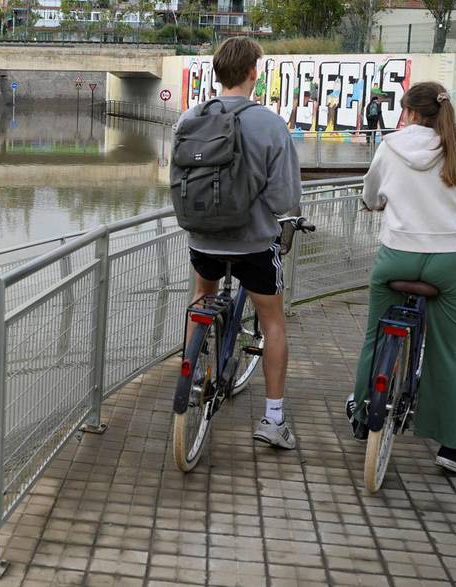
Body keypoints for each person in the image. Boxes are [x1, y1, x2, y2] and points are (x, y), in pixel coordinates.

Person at [346, 82, 456, 474]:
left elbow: (371, 195)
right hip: (446, 263)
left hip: (396, 257)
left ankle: (362, 412)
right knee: (449, 351)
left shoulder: (390, 147)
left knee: (375, 334)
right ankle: (451, 448)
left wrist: (376, 204)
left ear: (409, 112)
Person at [175, 38, 302, 449]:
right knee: (273, 323)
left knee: (201, 296)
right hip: (253, 244)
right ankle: (274, 419)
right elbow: (285, 200)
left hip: (203, 240)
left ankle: (194, 371)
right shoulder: (269, 124)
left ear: (217, 73)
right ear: (253, 73)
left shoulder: (189, 119)